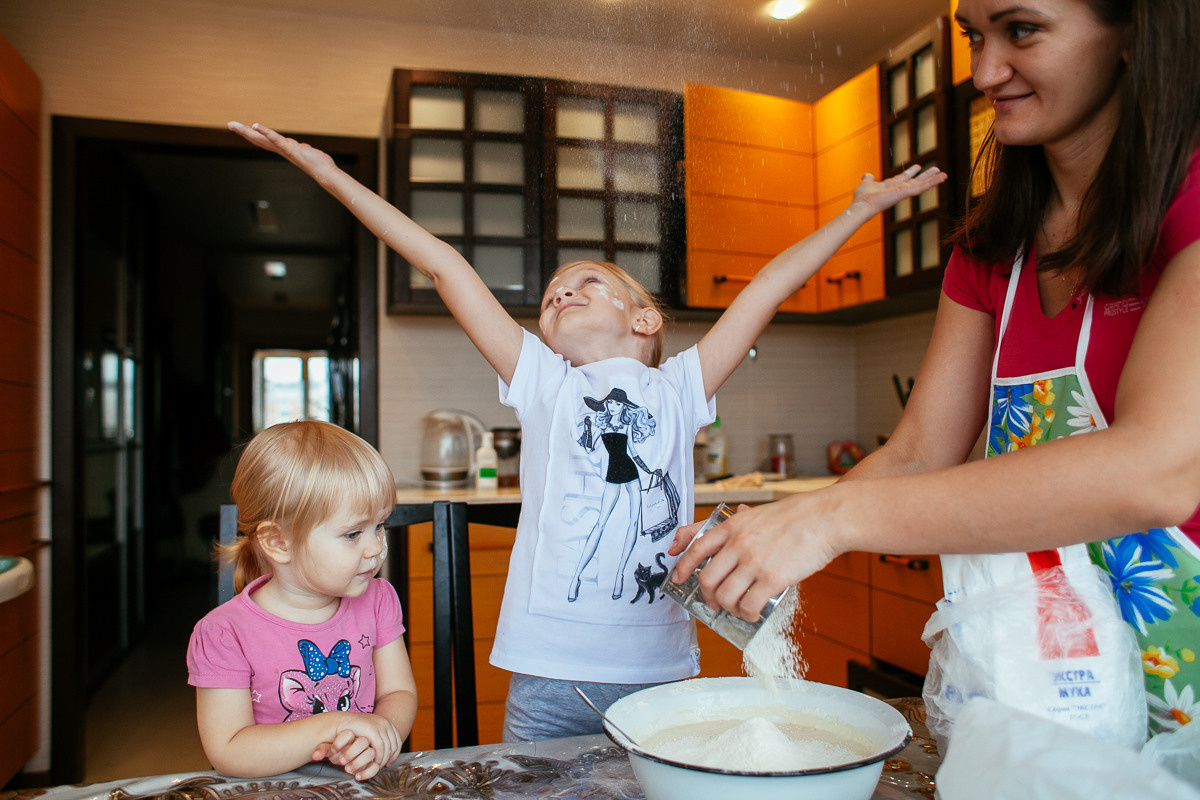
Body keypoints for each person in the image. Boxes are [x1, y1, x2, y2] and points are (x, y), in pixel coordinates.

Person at [228, 117, 944, 741]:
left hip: (659, 674)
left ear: (645, 320)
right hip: (546, 676)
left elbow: (767, 289)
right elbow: (444, 267)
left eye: (586, 283)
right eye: (550, 295)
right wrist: (328, 175)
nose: (562, 291)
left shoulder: (681, 386)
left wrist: (857, 214)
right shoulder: (546, 381)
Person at [671, 0, 1200, 741]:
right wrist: (769, 536)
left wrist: (827, 519)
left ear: (1132, 32)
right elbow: (921, 452)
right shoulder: (990, 248)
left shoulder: (1193, 203)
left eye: (1022, 31)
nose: (985, 71)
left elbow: (1159, 470)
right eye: (973, 37)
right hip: (1042, 683)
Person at [187, 420, 417, 780]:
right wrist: (335, 723)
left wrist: (382, 731)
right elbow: (229, 750)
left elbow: (399, 691)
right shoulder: (223, 633)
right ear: (278, 542)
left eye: (380, 526)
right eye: (353, 533)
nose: (376, 548)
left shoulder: (378, 600)